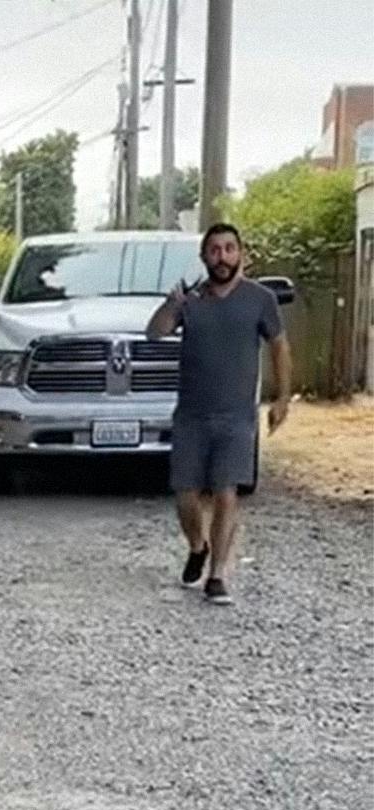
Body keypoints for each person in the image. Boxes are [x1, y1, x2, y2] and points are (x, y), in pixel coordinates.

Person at [144, 222, 289, 606]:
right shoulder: (191, 301)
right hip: (191, 415)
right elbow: (154, 332)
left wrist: (282, 398)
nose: (222, 257)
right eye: (214, 250)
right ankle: (197, 545)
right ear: (204, 257)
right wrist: (170, 304)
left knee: (226, 492)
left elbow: (278, 346)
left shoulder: (259, 299)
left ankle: (218, 575)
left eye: (229, 249)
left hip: (237, 416)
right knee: (186, 494)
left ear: (241, 253)